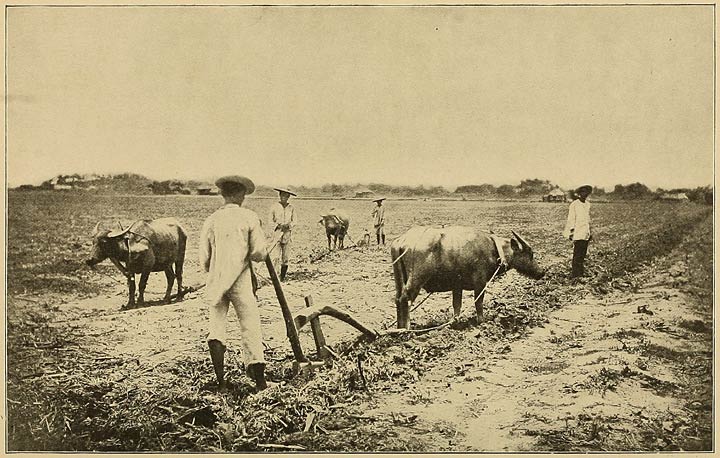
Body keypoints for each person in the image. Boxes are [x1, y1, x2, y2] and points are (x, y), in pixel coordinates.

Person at [199, 175, 269, 391]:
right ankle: (260, 382)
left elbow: (204, 259)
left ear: (222, 194)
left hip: (216, 280)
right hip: (241, 279)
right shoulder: (249, 217)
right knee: (250, 326)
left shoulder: (211, 220)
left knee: (216, 326)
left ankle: (221, 382)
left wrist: (218, 269)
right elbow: (258, 253)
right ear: (241, 194)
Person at [563, 184, 593, 279]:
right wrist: (571, 232)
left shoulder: (587, 204)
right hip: (578, 232)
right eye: (582, 192)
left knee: (583, 254)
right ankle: (575, 274)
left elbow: (587, 219)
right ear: (579, 193)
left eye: (586, 192)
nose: (584, 194)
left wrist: (589, 232)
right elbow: (571, 219)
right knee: (577, 254)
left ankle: (580, 272)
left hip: (585, 232)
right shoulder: (574, 204)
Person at [270, 187, 297, 281]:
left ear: (288, 197)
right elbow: (270, 220)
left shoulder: (291, 208)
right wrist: (278, 225)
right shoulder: (274, 207)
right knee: (276, 257)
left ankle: (282, 277)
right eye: (282, 195)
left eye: (286, 196)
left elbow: (295, 221)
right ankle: (276, 277)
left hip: (287, 235)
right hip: (277, 234)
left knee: (285, 258)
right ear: (279, 196)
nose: (284, 198)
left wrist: (289, 225)